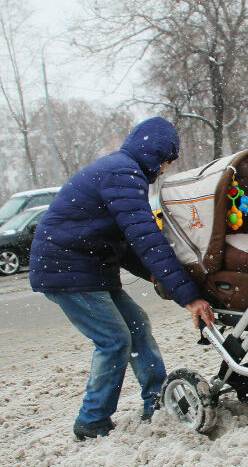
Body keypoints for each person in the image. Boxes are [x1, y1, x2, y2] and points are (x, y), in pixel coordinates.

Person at [29, 117, 215, 441]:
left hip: (88, 267)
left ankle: (156, 403)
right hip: (67, 269)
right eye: (166, 163)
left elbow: (126, 243)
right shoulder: (122, 174)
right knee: (114, 340)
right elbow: (146, 238)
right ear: (156, 155)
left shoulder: (122, 171)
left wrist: (158, 275)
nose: (163, 172)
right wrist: (189, 295)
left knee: (138, 326)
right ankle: (92, 421)